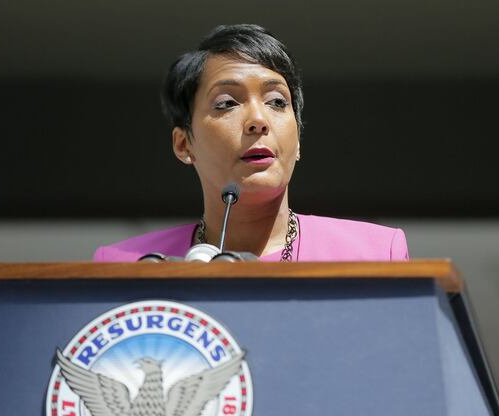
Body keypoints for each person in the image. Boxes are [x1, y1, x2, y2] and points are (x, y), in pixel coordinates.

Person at [94, 24, 408, 262]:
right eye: (227, 103)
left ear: (298, 140)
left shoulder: (375, 254)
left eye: (277, 101)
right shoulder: (128, 265)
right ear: (183, 144)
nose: (258, 120)